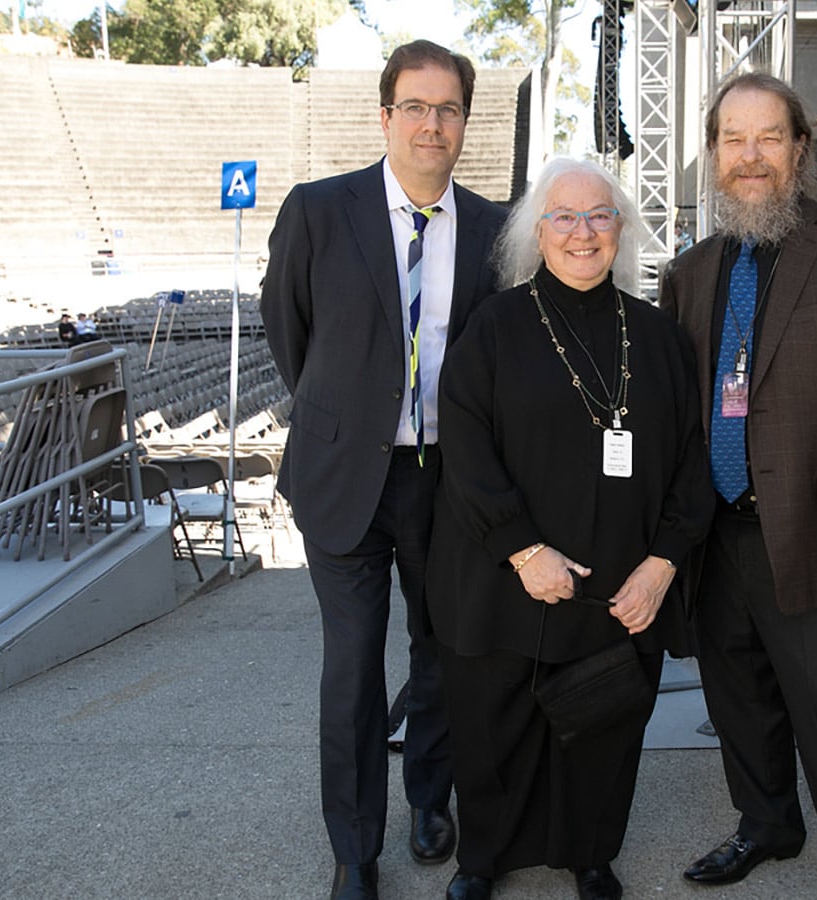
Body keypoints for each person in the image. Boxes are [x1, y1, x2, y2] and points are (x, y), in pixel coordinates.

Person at [658, 73, 817, 900]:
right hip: (720, 532)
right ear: (712, 155)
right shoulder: (691, 271)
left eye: (769, 137)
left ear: (800, 148)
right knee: (736, 694)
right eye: (733, 140)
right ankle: (766, 824)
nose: (751, 157)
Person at [259, 39, 507, 900]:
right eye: (415, 106)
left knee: (441, 656)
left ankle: (428, 802)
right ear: (385, 116)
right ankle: (354, 848)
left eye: (447, 109)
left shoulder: (492, 227)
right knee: (354, 666)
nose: (430, 124)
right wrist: (344, 417)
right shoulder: (319, 211)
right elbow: (289, 329)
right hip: (344, 481)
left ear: (465, 123)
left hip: (448, 482)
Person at [427, 157, 712, 900]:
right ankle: (482, 859)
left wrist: (662, 565)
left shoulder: (657, 337)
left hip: (620, 588)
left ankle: (590, 853)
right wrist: (522, 549)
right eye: (563, 217)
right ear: (536, 232)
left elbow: (691, 462)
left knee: (604, 727)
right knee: (495, 726)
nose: (581, 233)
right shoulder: (494, 326)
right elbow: (465, 447)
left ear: (621, 229)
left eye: (598, 216)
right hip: (508, 576)